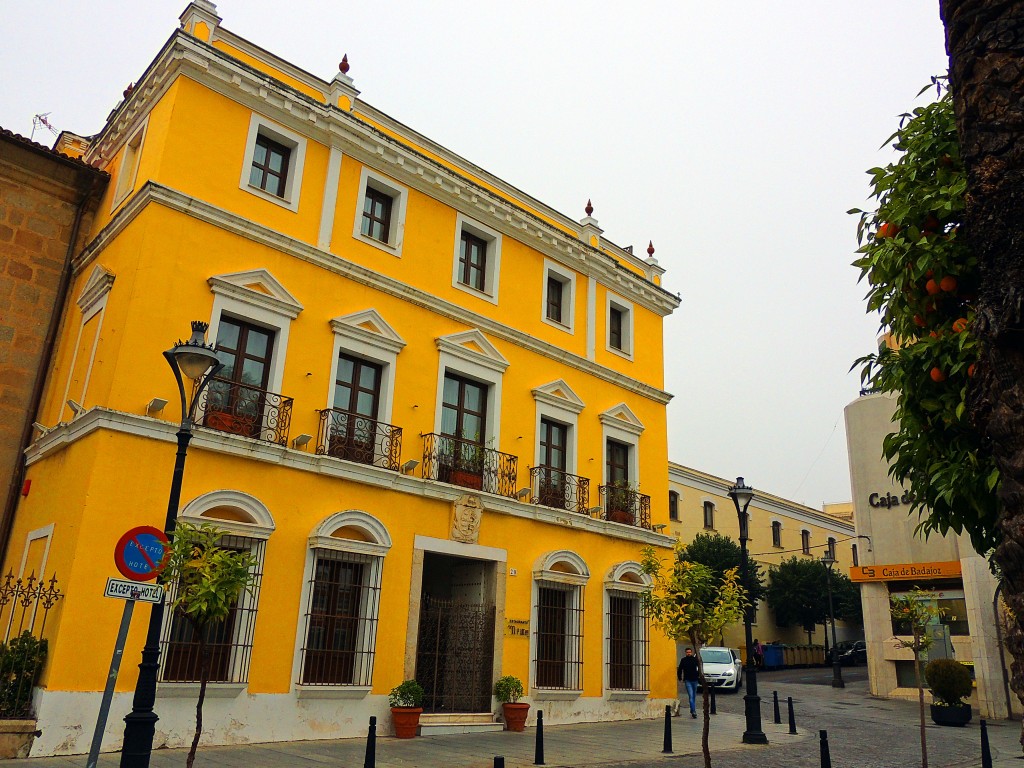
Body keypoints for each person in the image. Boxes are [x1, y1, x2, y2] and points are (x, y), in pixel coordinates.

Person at [676, 647, 700, 718]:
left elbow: (699, 669)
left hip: (695, 680)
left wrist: (699, 676)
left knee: (694, 696)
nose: (688, 653)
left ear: (691, 652)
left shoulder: (695, 660)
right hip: (687, 680)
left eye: (689, 652)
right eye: (687, 652)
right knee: (691, 696)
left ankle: (692, 708)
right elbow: (680, 669)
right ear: (685, 653)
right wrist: (680, 677)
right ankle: (693, 711)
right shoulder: (683, 660)